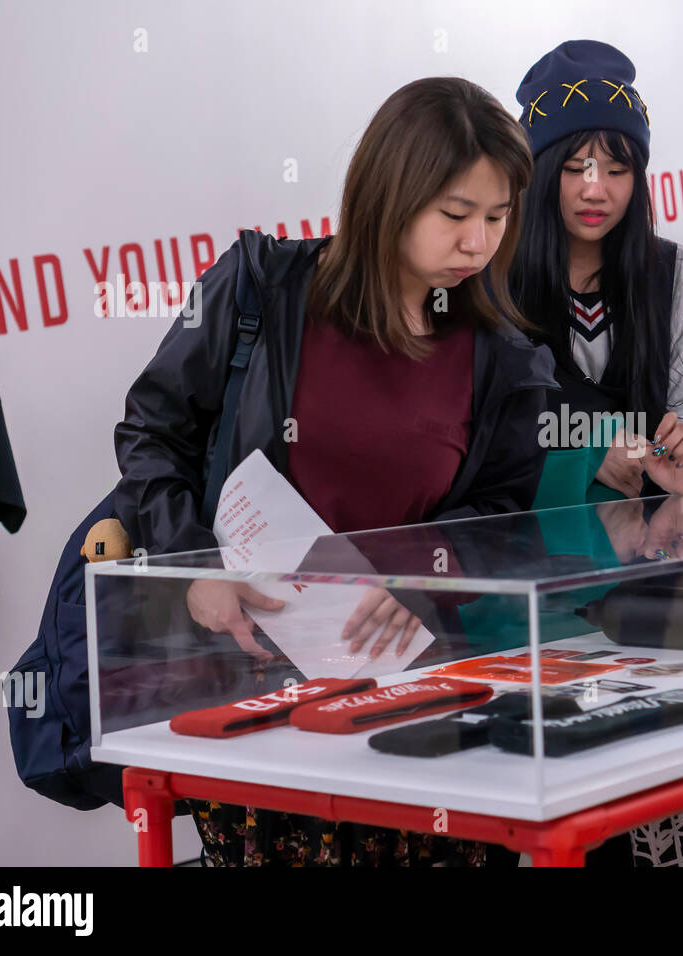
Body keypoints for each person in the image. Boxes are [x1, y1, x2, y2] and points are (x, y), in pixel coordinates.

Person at [112, 77, 555, 866]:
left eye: (498, 216)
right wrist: (195, 566)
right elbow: (152, 431)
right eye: (456, 215)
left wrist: (423, 570)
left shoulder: (503, 359)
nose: (479, 244)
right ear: (389, 196)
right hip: (254, 697)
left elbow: (504, 516)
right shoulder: (261, 289)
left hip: (419, 702)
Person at [509, 39, 683, 867]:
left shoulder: (677, 275)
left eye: (619, 165)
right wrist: (590, 450)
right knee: (571, 799)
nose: (597, 188)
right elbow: (479, 430)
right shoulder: (492, 280)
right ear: (538, 168)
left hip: (660, 575)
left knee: (678, 784)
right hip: (534, 590)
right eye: (575, 163)